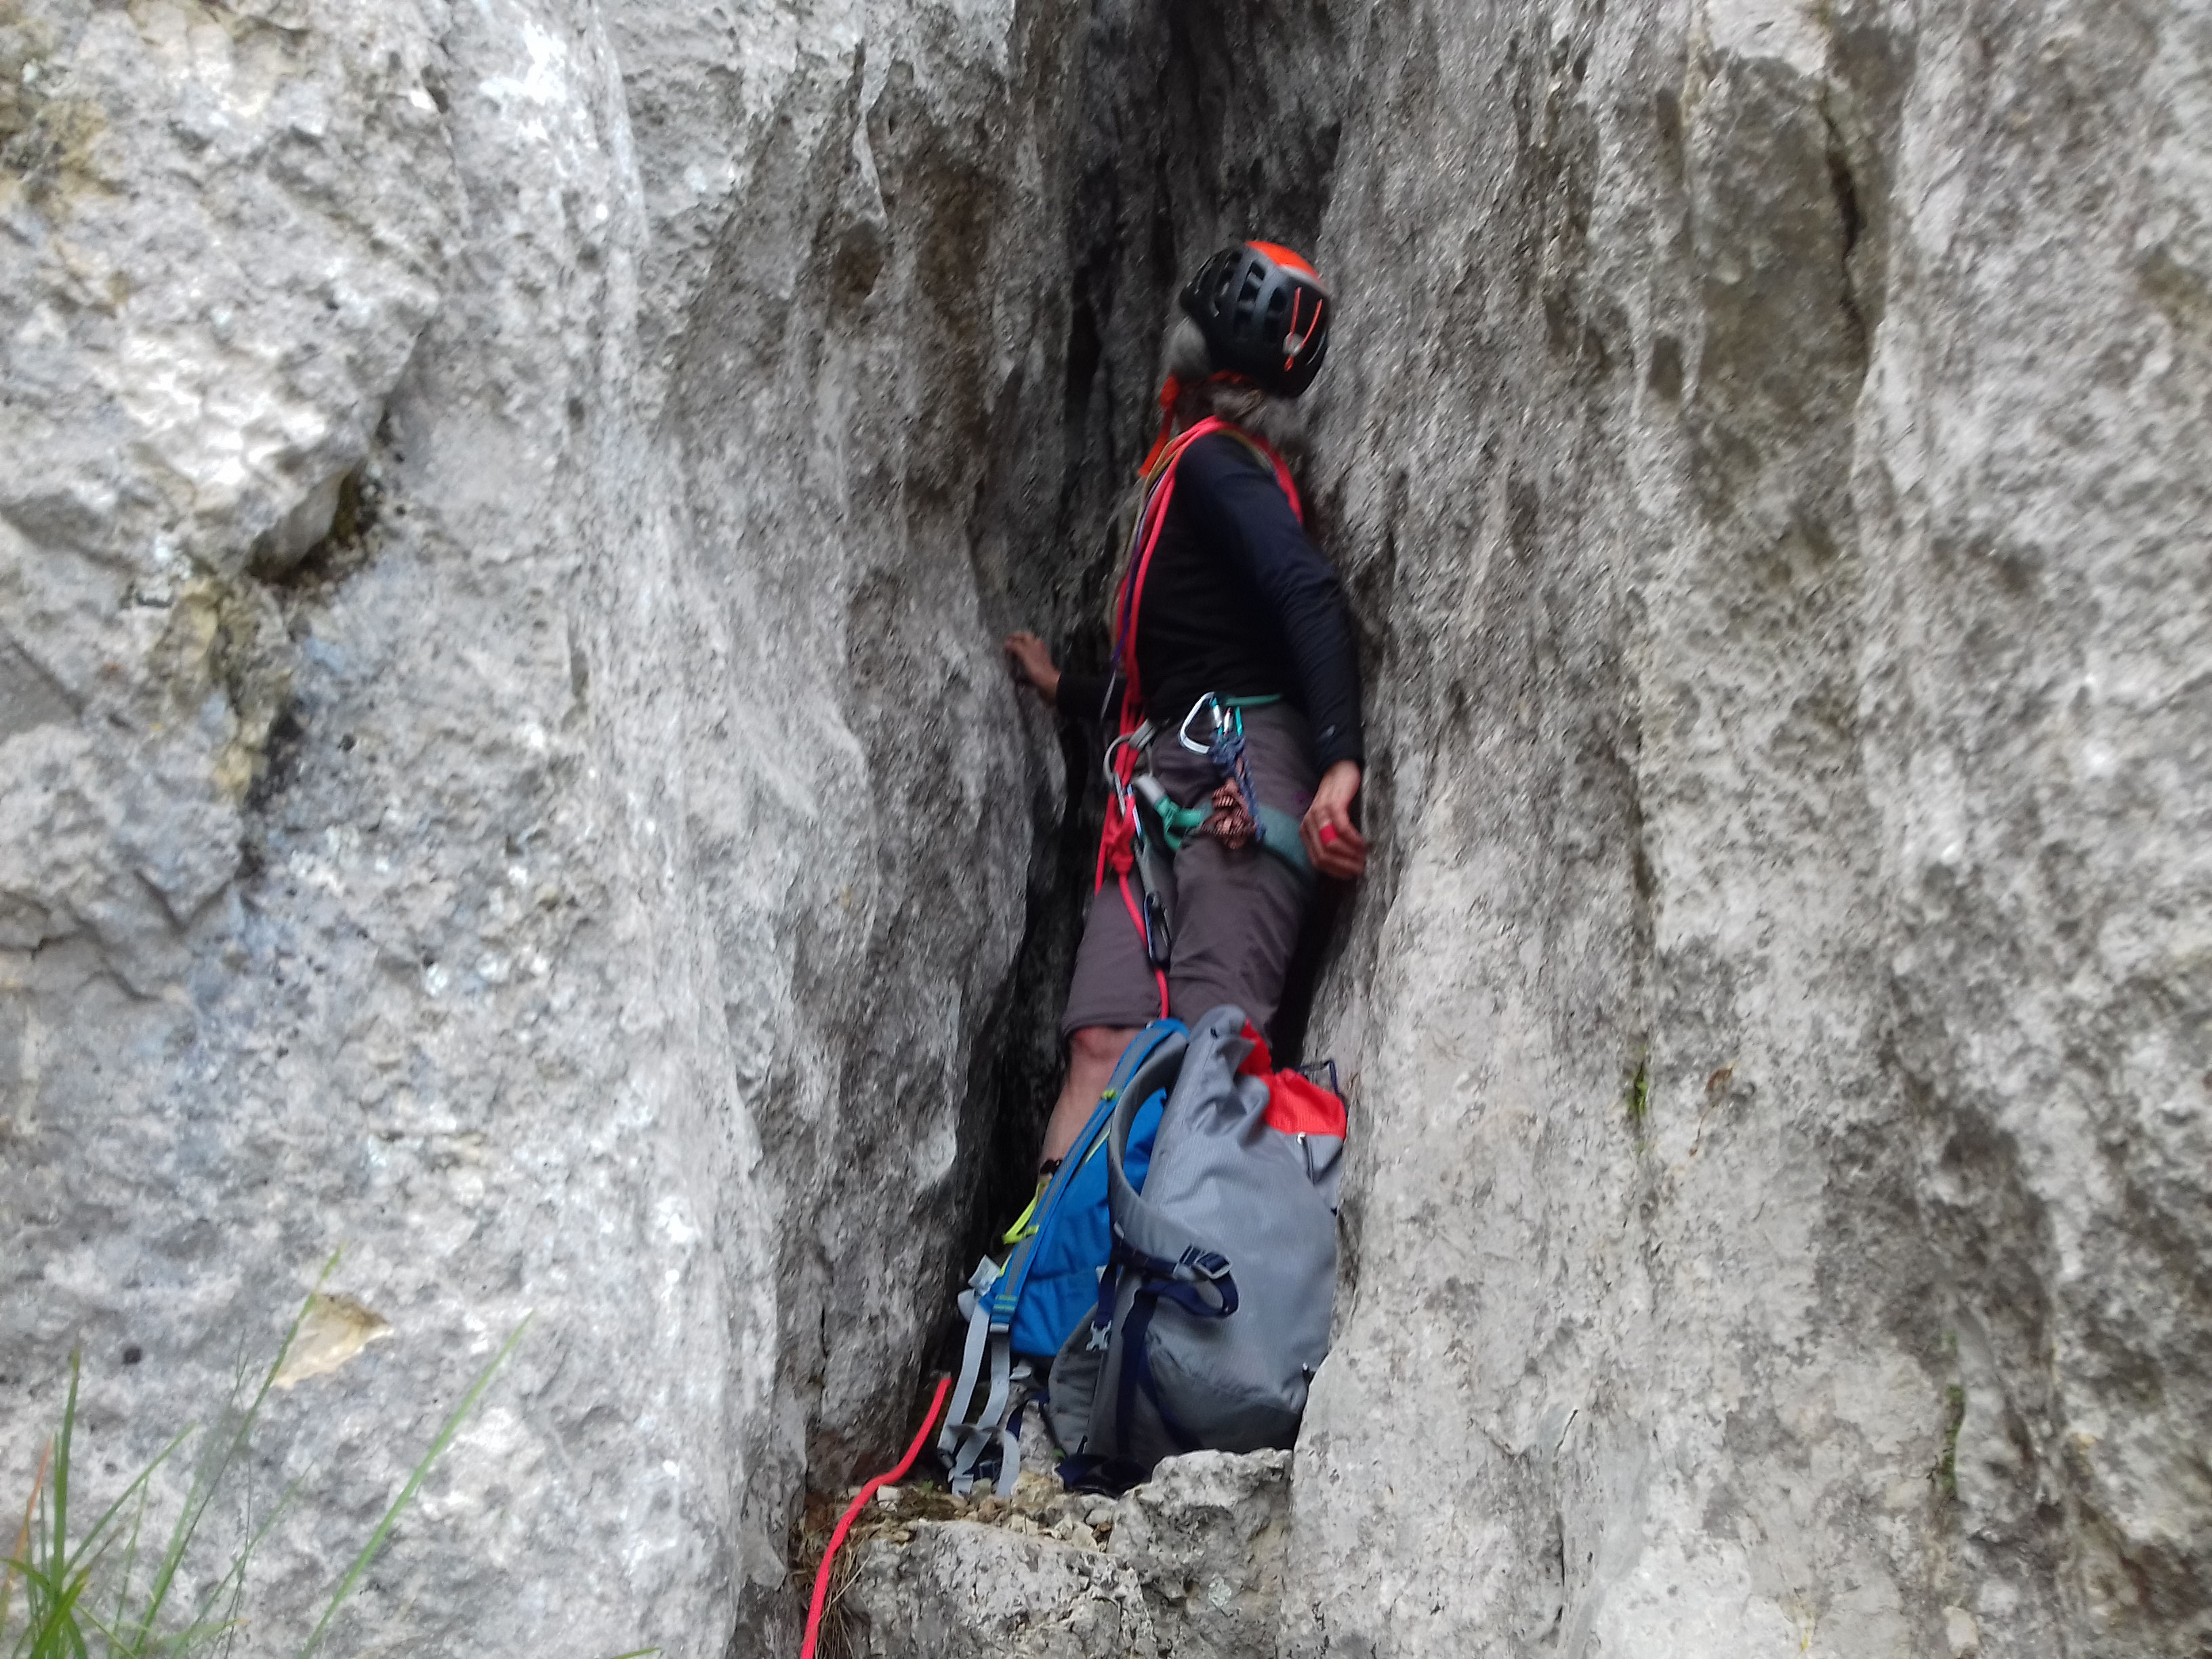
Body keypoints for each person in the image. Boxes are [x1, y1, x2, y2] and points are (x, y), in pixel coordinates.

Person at [1004, 241, 1369, 1175]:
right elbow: (1173, 672)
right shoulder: (1204, 473)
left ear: (1195, 348)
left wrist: (1339, 759)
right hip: (1175, 766)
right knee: (1101, 1045)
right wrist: (1063, 691)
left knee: (1214, 1057)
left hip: (1242, 773)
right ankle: (1032, 1309)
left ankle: (1169, 1311)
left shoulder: (1213, 467)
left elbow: (1308, 594)